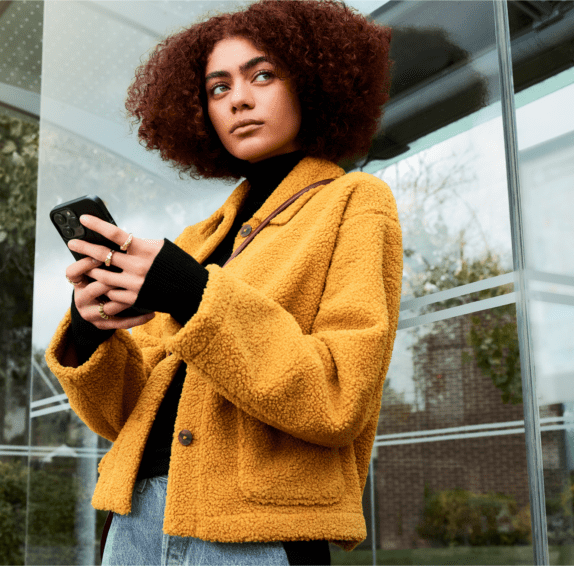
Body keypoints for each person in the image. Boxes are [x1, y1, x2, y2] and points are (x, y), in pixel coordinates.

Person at [45, 1, 402, 564]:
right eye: (218, 88)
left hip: (256, 533)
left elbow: (339, 400)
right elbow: (121, 416)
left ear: (312, 83)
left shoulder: (354, 203)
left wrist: (192, 293)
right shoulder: (196, 240)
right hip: (135, 520)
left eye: (263, 75)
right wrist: (94, 332)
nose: (239, 98)